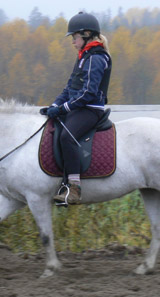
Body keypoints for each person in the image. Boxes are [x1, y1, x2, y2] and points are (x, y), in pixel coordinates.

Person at [41, 12, 112, 206]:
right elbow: (69, 88)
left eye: (75, 37)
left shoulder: (97, 58)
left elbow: (88, 93)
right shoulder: (83, 57)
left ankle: (74, 188)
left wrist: (64, 108)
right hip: (78, 107)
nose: (73, 41)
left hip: (90, 109)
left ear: (87, 34)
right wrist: (54, 106)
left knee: (67, 137)